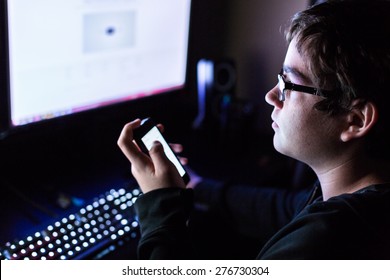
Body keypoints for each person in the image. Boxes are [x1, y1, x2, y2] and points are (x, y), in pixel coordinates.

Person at [117, 0, 390, 259]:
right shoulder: (357, 195)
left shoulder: (325, 243)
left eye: (289, 84)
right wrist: (198, 188)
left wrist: (160, 206)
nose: (271, 96)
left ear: (355, 119)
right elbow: (284, 208)